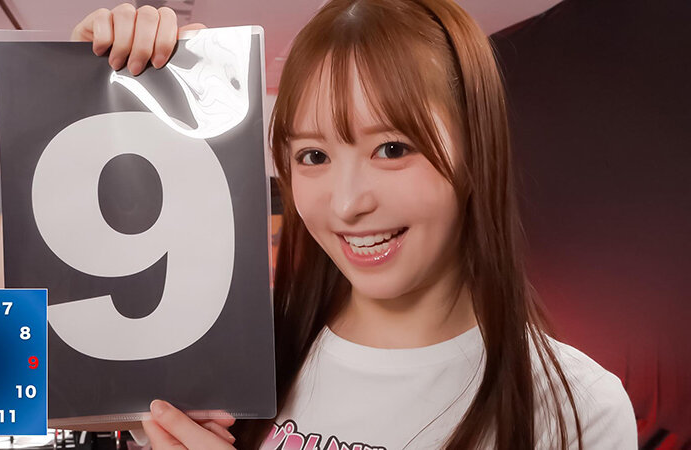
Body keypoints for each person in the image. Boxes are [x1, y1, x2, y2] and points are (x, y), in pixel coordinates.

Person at [70, 0, 638, 448]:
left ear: (476, 151)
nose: (346, 205)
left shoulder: (577, 409)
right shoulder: (235, 355)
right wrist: (72, 91)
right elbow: (18, 378)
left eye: (392, 148)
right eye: (313, 156)